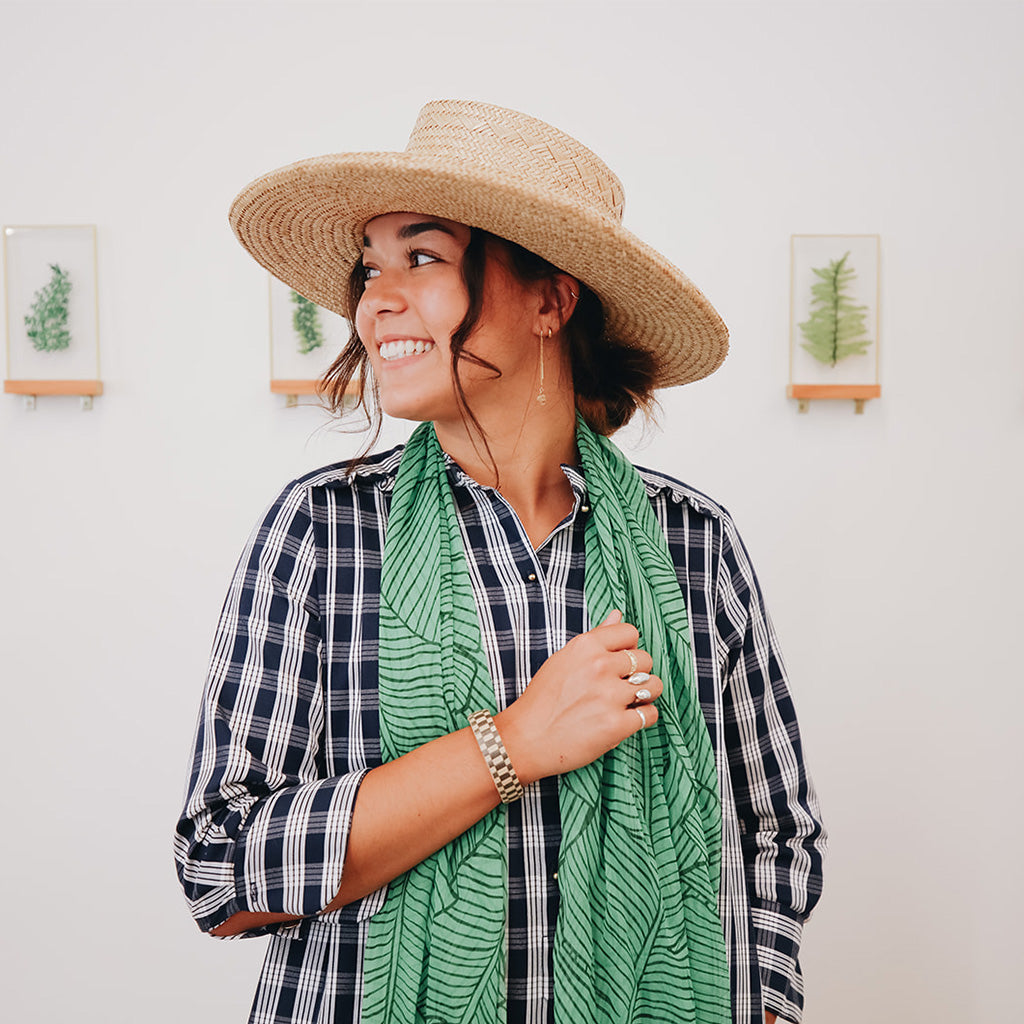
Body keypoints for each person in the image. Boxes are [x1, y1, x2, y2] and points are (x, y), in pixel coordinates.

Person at [174, 99, 825, 1024]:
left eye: (424, 257)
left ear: (552, 299)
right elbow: (221, 870)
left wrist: (763, 999)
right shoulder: (320, 532)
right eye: (370, 266)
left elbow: (774, 833)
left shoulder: (692, 544)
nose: (375, 300)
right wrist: (513, 745)